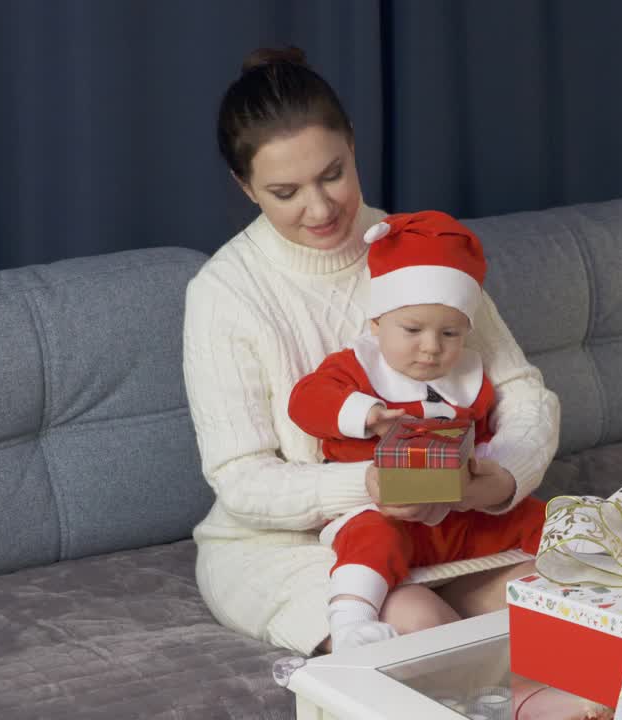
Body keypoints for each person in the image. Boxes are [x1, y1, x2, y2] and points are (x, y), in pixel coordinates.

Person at [184, 46, 559, 656]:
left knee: (552, 605)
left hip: (450, 523)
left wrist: (506, 475)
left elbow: (521, 390)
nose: (321, 207)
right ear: (245, 186)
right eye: (285, 191)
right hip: (286, 545)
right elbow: (240, 478)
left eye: (332, 174)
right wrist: (373, 484)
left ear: (353, 144)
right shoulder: (225, 294)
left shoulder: (420, 247)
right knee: (415, 630)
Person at [287, 210, 546, 651]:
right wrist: (365, 413)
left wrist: (482, 469)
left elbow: (486, 429)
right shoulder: (354, 368)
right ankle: (352, 620)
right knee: (370, 540)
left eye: (450, 333)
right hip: (388, 511)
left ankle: (602, 557)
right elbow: (305, 402)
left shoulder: (467, 376)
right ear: (377, 324)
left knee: (536, 513)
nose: (431, 347)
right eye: (412, 330)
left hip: (457, 510)